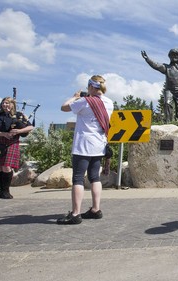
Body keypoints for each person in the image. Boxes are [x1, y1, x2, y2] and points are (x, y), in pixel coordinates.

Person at [57, 75, 114, 225]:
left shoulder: (84, 101)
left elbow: (63, 107)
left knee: (78, 178)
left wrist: (74, 97)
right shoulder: (109, 102)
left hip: (83, 145)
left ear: (90, 86)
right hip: (99, 144)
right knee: (94, 177)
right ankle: (96, 209)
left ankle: (75, 213)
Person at [0, 97, 34, 199]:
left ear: (12, 104)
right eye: (3, 103)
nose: (4, 105)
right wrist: (3, 134)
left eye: (7, 103)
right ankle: (1, 191)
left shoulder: (18, 115)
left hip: (11, 142)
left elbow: (30, 127)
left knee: (6, 166)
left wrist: (18, 131)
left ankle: (6, 191)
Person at [141, 48, 178, 123]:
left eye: (175, 55)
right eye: (171, 55)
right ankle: (168, 124)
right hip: (169, 91)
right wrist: (147, 59)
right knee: (167, 103)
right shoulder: (166, 67)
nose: (173, 57)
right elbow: (156, 65)